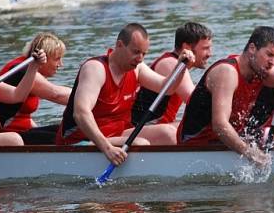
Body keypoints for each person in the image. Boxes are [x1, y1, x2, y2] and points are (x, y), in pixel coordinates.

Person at [56, 23, 195, 165]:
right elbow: (81, 113)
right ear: (120, 45)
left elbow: (167, 88)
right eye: (136, 52)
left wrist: (181, 67)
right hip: (82, 140)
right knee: (141, 143)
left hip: (118, 134)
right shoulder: (95, 69)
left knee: (169, 133)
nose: (140, 58)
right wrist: (107, 148)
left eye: (144, 53)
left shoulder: (137, 69)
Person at [177, 26, 274, 166]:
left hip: (224, 141)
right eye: (269, 55)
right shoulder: (227, 72)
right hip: (197, 144)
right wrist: (251, 154)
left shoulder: (260, 70)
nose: (272, 62)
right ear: (252, 48)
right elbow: (220, 125)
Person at [131, 22, 213, 139]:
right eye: (205, 48)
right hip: (142, 128)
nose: (210, 54)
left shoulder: (178, 65)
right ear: (187, 48)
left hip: (158, 126)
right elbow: (195, 102)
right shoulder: (170, 63)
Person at [0, 32, 71, 144]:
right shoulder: (22, 70)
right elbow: (56, 94)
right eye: (57, 59)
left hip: (20, 131)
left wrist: (38, 130)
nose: (61, 64)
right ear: (44, 57)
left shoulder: (25, 66)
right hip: (6, 135)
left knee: (68, 130)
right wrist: (93, 97)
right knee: (73, 134)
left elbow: (23, 116)